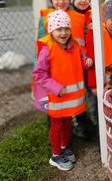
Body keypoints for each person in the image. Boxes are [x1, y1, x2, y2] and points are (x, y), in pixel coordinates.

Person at [32, 10, 92, 171]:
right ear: (51, 30)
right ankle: (56, 155)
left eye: (66, 28)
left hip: (71, 97)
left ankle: (64, 147)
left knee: (67, 122)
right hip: (57, 96)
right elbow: (39, 74)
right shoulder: (47, 49)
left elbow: (79, 59)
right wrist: (56, 87)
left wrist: (86, 61)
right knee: (57, 125)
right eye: (59, 29)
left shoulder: (74, 46)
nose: (63, 32)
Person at [69, 0, 95, 136]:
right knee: (78, 94)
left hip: (91, 62)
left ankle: (94, 121)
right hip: (76, 63)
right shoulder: (70, 16)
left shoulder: (94, 14)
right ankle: (81, 123)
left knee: (92, 92)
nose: (83, 1)